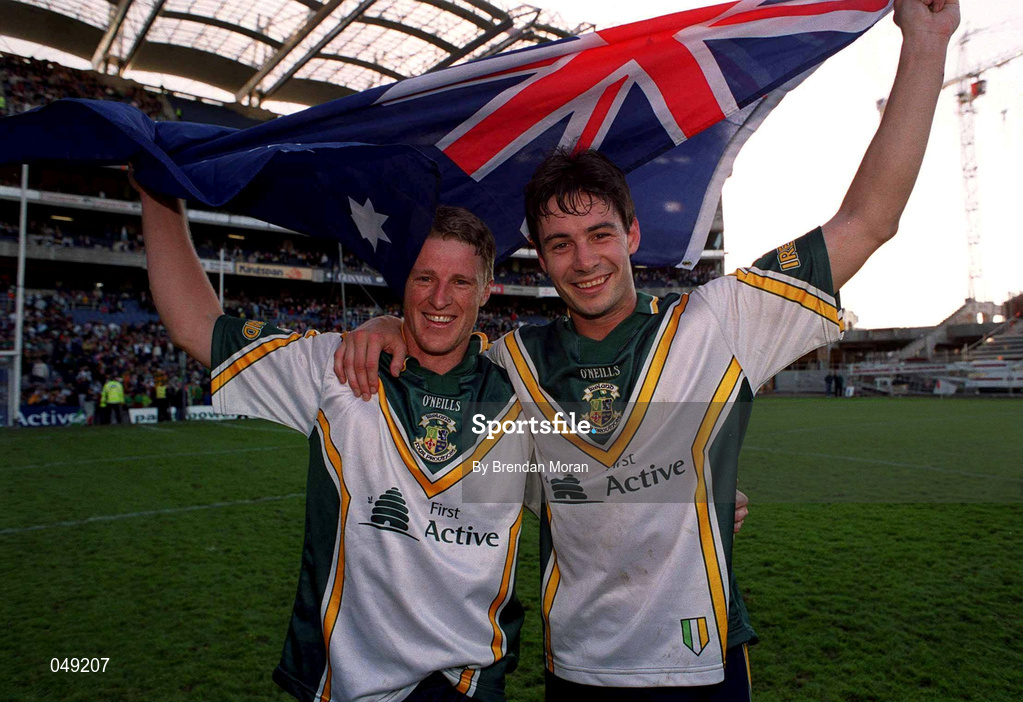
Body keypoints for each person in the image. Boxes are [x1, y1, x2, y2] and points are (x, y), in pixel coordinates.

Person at [334, 1, 959, 697]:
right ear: (539, 259)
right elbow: (435, 357)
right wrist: (388, 326)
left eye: (600, 234)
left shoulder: (718, 322)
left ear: (631, 235)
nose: (584, 259)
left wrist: (925, 44)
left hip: (702, 658)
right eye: (560, 244)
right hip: (578, 667)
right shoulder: (511, 362)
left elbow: (868, 220)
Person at [136, 183, 537, 702]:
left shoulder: (522, 393)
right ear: (403, 281)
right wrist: (156, 192)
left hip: (466, 682)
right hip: (351, 683)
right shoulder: (339, 368)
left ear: (486, 290)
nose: (441, 299)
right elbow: (196, 326)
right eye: (425, 278)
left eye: (461, 281)